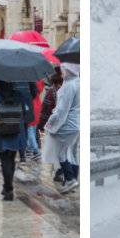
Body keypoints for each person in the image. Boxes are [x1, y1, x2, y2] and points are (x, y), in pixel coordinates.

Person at [0, 79, 32, 201]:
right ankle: (7, 186)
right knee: (11, 159)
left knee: (4, 161)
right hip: (16, 131)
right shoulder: (19, 94)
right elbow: (25, 110)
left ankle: (8, 188)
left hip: (1, 132)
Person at [42, 64, 80, 193]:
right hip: (77, 124)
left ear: (68, 71)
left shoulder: (69, 86)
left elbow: (62, 110)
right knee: (72, 153)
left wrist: (50, 123)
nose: (62, 71)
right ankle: (73, 180)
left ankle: (70, 180)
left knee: (60, 153)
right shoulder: (79, 82)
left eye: (64, 69)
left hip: (67, 125)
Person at [37, 69, 63, 181]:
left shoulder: (52, 91)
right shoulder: (69, 90)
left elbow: (45, 110)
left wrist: (41, 125)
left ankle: (58, 172)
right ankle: (62, 171)